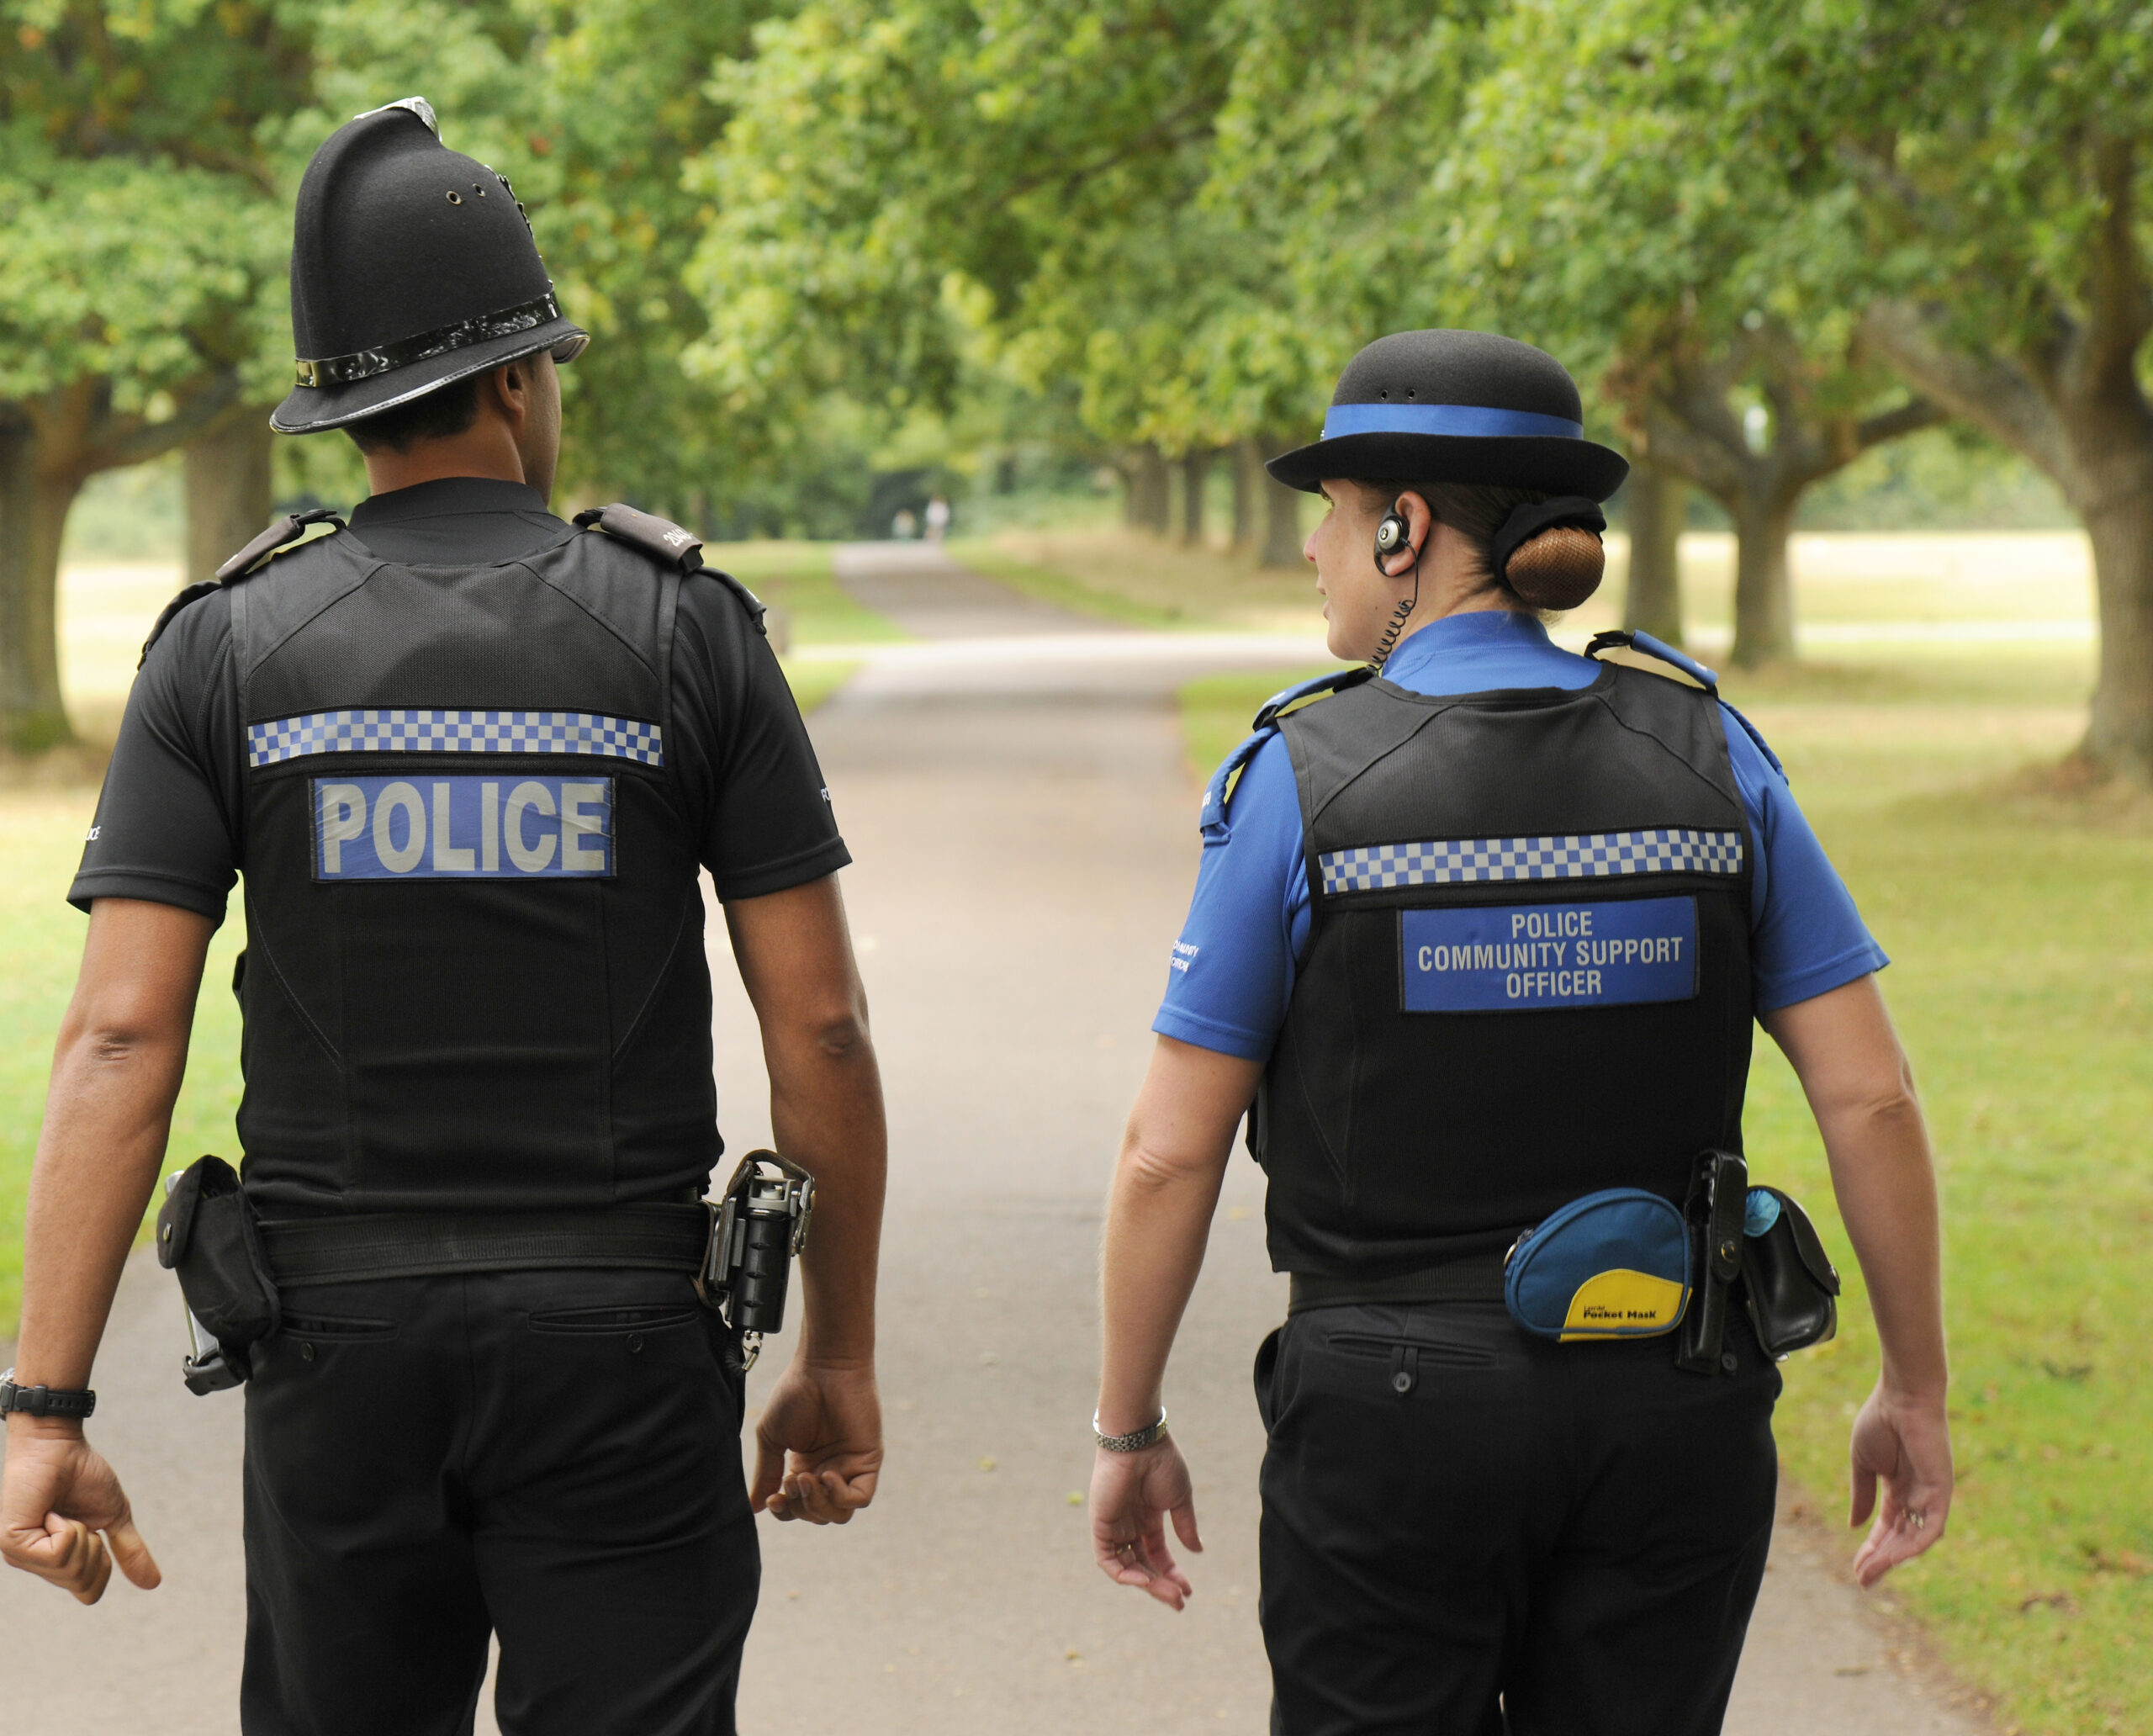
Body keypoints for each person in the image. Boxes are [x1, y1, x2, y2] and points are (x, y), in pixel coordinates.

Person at [0, 98, 886, 1735]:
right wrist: (834, 1356)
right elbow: (817, 1024)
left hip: (338, 1354)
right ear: (509, 382)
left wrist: (41, 1406)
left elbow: (122, 1031)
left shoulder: (226, 648)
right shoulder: (688, 633)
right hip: (623, 1345)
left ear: (349, 410)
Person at [1088, 329, 1951, 1735]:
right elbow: (1873, 1100)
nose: (1314, 551)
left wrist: (1128, 1430)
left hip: (1389, 1419)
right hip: (1673, 1402)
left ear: (1402, 527)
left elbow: (1165, 1160)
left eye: (1330, 512)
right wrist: (1913, 1386)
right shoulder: (1711, 754)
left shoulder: (1302, 782)